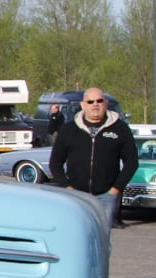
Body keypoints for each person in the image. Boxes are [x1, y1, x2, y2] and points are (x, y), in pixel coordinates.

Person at [48, 87, 137, 230]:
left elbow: (132, 163)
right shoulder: (69, 129)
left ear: (106, 103)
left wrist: (115, 190)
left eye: (99, 100)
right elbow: (55, 162)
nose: (95, 104)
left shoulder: (120, 129)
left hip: (106, 197)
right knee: (76, 236)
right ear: (83, 105)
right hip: (76, 197)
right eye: (90, 101)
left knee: (101, 242)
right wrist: (67, 188)